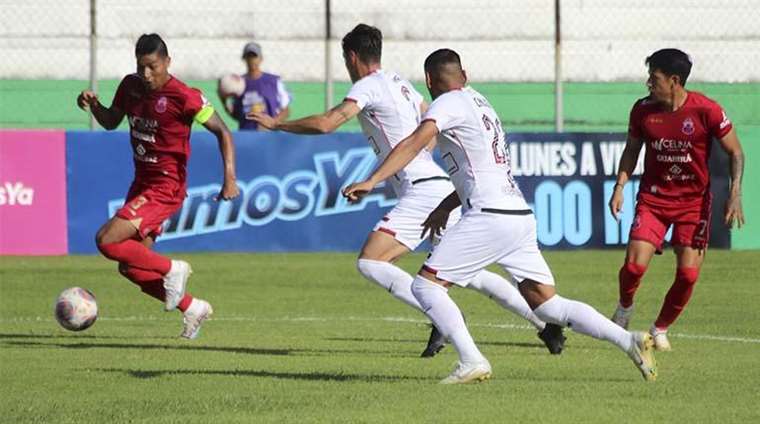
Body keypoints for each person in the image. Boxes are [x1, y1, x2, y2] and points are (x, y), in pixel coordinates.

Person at [248, 24, 565, 357]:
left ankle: (442, 319)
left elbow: (329, 122)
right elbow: (429, 120)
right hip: (439, 184)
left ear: (352, 57)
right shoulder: (399, 83)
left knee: (371, 261)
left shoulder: (367, 86)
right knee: (470, 275)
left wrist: (278, 124)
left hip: (422, 190)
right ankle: (544, 324)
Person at [343, 48, 657, 384]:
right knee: (549, 306)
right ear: (464, 75)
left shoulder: (446, 103)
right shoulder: (481, 103)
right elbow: (479, 168)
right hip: (518, 214)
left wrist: (372, 180)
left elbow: (413, 143)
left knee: (426, 286)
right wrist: (447, 205)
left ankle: (471, 360)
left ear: (431, 81)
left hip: (489, 215)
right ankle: (629, 341)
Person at [76, 33, 239, 339]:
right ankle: (192, 307)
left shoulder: (185, 96)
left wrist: (229, 177)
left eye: (152, 66)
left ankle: (172, 269)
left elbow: (223, 132)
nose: (146, 74)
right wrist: (94, 104)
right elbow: (111, 121)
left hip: (166, 186)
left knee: (106, 241)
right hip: (141, 183)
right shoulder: (131, 86)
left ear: (167, 62)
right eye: (141, 67)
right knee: (130, 266)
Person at [609, 48, 745, 351]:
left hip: (693, 204)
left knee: (687, 274)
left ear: (674, 81)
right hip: (653, 200)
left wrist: (734, 193)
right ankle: (625, 307)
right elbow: (632, 150)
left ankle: (660, 328)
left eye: (653, 78)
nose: (648, 83)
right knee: (633, 267)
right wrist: (620, 186)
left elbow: (736, 151)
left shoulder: (706, 110)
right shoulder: (643, 110)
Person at [219, 41, 291, 130]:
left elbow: (286, 110)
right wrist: (223, 101)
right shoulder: (238, 83)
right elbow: (237, 116)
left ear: (261, 58)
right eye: (249, 56)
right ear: (244, 58)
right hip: (246, 134)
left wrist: (273, 123)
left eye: (254, 56)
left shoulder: (274, 81)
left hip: (269, 134)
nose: (251, 59)